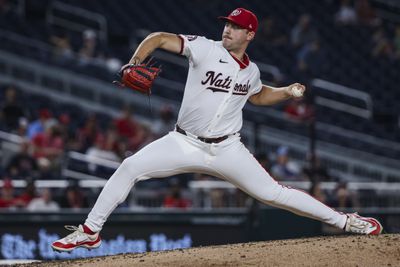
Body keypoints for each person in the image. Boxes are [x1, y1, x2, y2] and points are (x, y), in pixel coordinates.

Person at [52, 7, 383, 252]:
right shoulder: (205, 48)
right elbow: (159, 39)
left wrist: (285, 93)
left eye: (236, 27)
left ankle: (346, 222)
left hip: (227, 148)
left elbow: (259, 95)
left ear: (249, 35)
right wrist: (136, 61)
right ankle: (90, 231)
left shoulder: (251, 71)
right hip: (183, 142)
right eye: (227, 23)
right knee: (130, 167)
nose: (227, 29)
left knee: (273, 193)